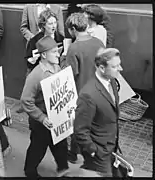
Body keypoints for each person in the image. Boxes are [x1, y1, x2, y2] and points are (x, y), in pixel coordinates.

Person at [21, 36, 69, 177]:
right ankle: (29, 171)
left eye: (57, 51)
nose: (57, 54)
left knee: (61, 144)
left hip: (56, 117)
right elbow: (25, 101)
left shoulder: (57, 67)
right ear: (43, 55)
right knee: (38, 147)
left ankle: (63, 168)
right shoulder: (35, 76)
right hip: (41, 121)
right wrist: (41, 118)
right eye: (54, 52)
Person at [60, 12, 105, 164]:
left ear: (73, 29)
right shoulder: (99, 43)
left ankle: (74, 154)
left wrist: (63, 59)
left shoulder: (74, 48)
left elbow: (71, 74)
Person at [74, 47, 123, 177]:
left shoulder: (111, 81)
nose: (120, 69)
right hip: (99, 153)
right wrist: (93, 151)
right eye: (115, 66)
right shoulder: (88, 95)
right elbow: (80, 130)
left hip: (111, 146)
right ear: (101, 68)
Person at [25, 8, 64, 74]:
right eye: (50, 24)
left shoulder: (60, 38)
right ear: (43, 25)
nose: (54, 26)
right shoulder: (34, 41)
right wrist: (32, 60)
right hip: (41, 73)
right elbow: (28, 62)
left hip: (56, 72)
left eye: (55, 23)